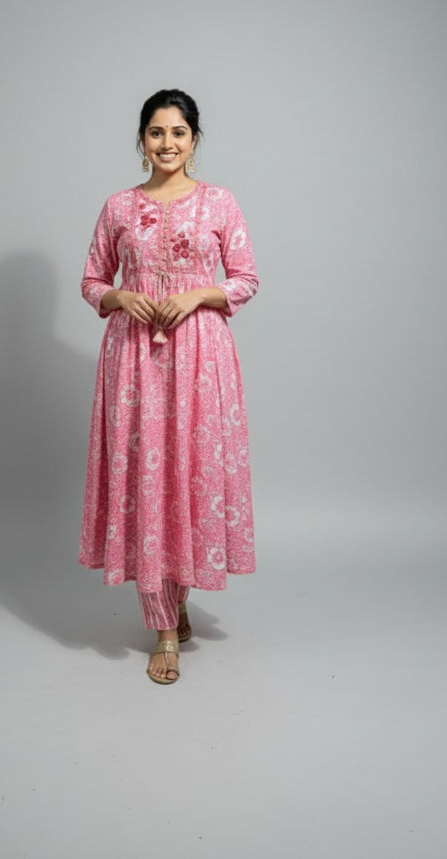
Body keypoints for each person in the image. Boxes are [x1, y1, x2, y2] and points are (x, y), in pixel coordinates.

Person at [79, 89, 259, 684]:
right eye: (156, 133)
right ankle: (161, 627)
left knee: (189, 472)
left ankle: (178, 593)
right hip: (134, 359)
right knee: (145, 478)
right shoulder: (118, 207)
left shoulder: (220, 204)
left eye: (178, 133)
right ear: (141, 140)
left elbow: (246, 279)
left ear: (195, 139)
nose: (167, 144)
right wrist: (117, 296)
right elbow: (91, 279)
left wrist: (197, 294)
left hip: (201, 355)